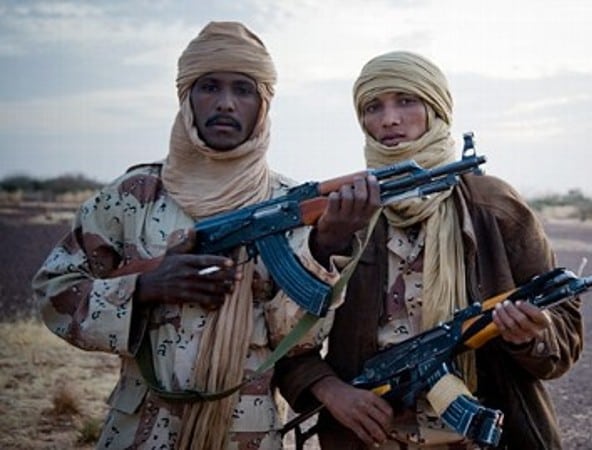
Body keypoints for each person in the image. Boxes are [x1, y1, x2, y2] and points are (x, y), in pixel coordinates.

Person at [31, 22, 380, 450]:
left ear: (263, 104)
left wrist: (326, 246)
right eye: (209, 87)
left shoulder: (290, 205)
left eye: (243, 90)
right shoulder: (132, 197)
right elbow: (54, 295)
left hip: (245, 433)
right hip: (141, 430)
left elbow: (298, 343)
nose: (226, 104)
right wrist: (143, 287)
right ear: (187, 97)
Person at [275, 51, 584, 449]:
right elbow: (284, 335)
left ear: (436, 109)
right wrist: (331, 391)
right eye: (374, 106)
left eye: (406, 101)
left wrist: (528, 335)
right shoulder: (345, 210)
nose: (389, 119)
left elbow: (565, 330)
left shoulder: (494, 206)